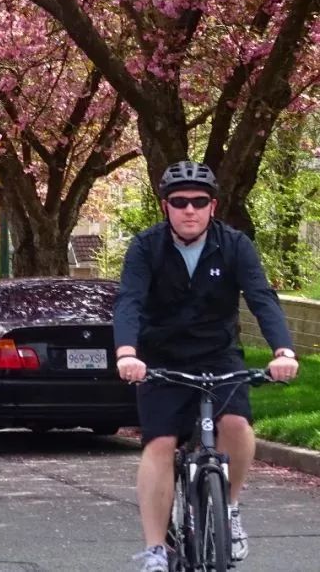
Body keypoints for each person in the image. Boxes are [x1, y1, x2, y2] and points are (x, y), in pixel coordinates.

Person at [113, 161, 299, 572]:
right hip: (160, 358)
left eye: (199, 201)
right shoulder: (146, 247)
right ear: (166, 207)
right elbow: (129, 301)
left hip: (217, 354)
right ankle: (156, 550)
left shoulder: (234, 245)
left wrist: (283, 351)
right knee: (160, 444)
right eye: (180, 202)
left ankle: (229, 509)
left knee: (236, 426)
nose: (189, 210)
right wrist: (127, 352)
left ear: (213, 205)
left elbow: (261, 298)